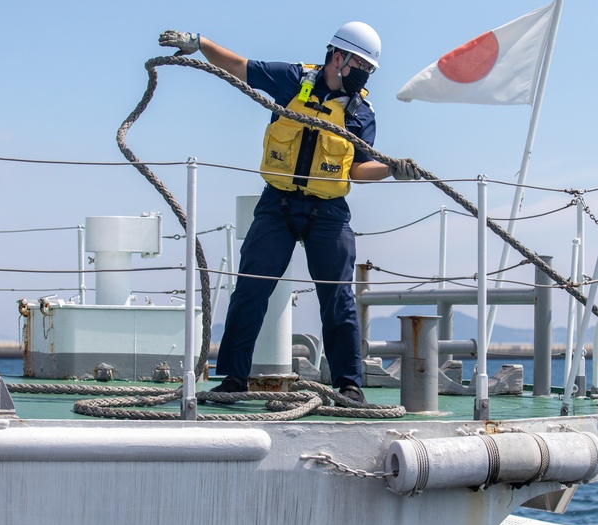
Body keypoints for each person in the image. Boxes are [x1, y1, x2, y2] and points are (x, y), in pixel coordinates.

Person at [159, 23, 418, 404]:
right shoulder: (292, 81)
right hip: (276, 205)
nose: (364, 73)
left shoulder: (361, 112)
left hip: (328, 211)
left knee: (337, 298)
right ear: (337, 57)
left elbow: (358, 171)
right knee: (250, 289)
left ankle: (348, 385)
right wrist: (199, 44)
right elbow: (238, 66)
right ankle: (233, 379)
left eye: (368, 68)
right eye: (359, 64)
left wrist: (393, 169)